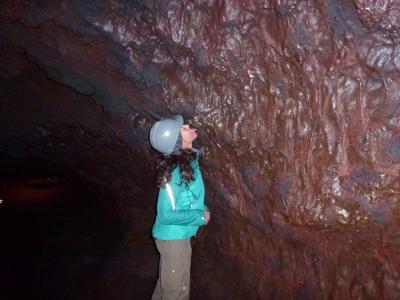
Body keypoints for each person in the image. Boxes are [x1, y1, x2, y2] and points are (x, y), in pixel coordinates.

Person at [149, 114, 210, 300]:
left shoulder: (187, 164)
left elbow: (187, 197)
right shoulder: (173, 173)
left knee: (166, 289)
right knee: (176, 293)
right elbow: (166, 214)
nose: (188, 125)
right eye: (183, 128)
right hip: (173, 239)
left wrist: (203, 208)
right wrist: (199, 217)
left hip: (178, 236)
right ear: (177, 140)